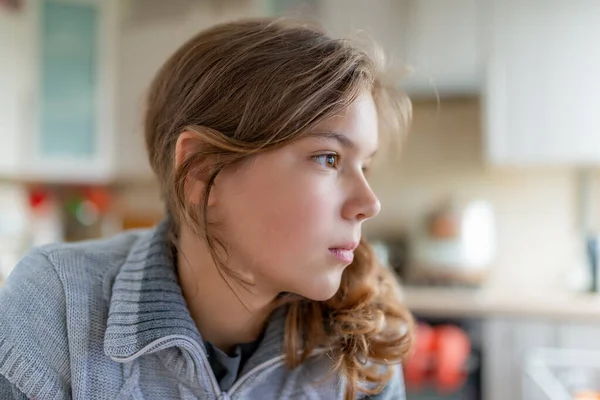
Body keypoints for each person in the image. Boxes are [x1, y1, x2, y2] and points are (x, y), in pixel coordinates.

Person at [0, 18, 414, 399]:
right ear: (202, 171)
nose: (369, 204)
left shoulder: (366, 343)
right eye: (328, 158)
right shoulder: (57, 305)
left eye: (366, 166)